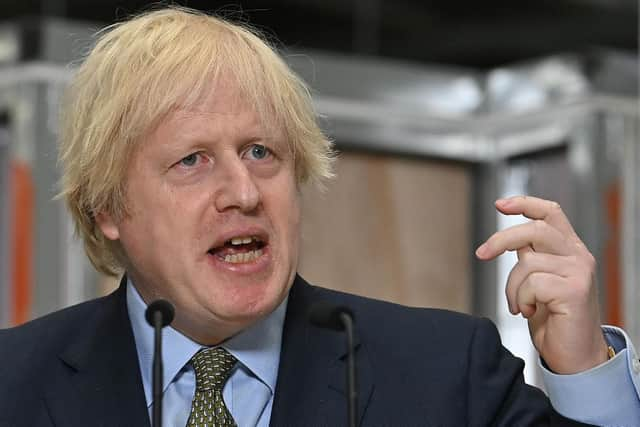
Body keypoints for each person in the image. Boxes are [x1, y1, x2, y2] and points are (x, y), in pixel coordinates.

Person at [0, 6, 638, 427]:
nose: (243, 191)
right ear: (109, 206)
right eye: (193, 160)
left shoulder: (446, 376)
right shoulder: (14, 387)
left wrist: (582, 369)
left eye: (261, 152)